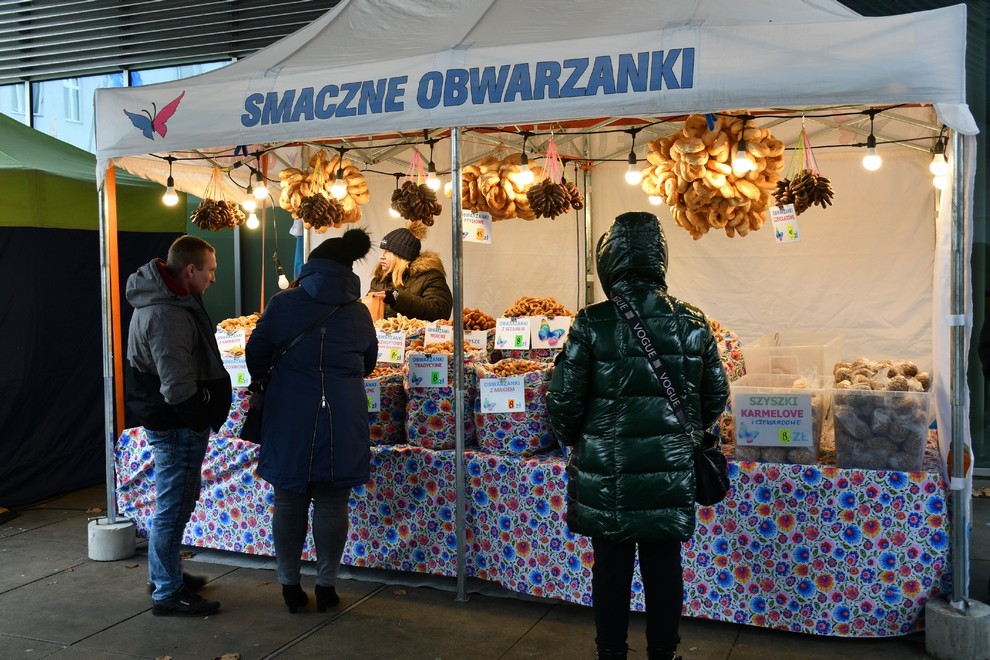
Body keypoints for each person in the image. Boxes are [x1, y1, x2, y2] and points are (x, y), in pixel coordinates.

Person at [546, 212, 730, 660]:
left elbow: (564, 402)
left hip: (606, 472)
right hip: (669, 470)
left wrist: (579, 437)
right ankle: (664, 653)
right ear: (660, 259)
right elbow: (716, 397)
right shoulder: (693, 321)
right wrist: (683, 432)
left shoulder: (591, 322)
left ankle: (611, 653)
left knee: (611, 569)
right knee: (664, 568)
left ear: (609, 261)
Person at [246, 228, 378, 614]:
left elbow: (256, 353)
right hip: (343, 413)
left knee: (289, 499)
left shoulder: (283, 303)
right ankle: (326, 585)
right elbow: (368, 363)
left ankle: (289, 585)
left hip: (289, 412)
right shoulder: (359, 311)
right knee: (333, 501)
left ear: (311, 266)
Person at [125, 235, 232, 617]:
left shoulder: (167, 302)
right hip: (175, 426)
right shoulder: (166, 314)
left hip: (172, 423)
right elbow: (176, 385)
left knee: (174, 504)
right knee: (172, 508)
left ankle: (165, 574)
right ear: (190, 270)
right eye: (210, 271)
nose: (213, 278)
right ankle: (168, 592)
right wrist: (199, 419)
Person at [368, 221, 453, 322]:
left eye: (388, 251)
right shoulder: (378, 281)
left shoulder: (430, 277)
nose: (381, 256)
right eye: (383, 251)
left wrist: (397, 298)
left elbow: (440, 311)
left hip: (418, 333)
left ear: (402, 255)